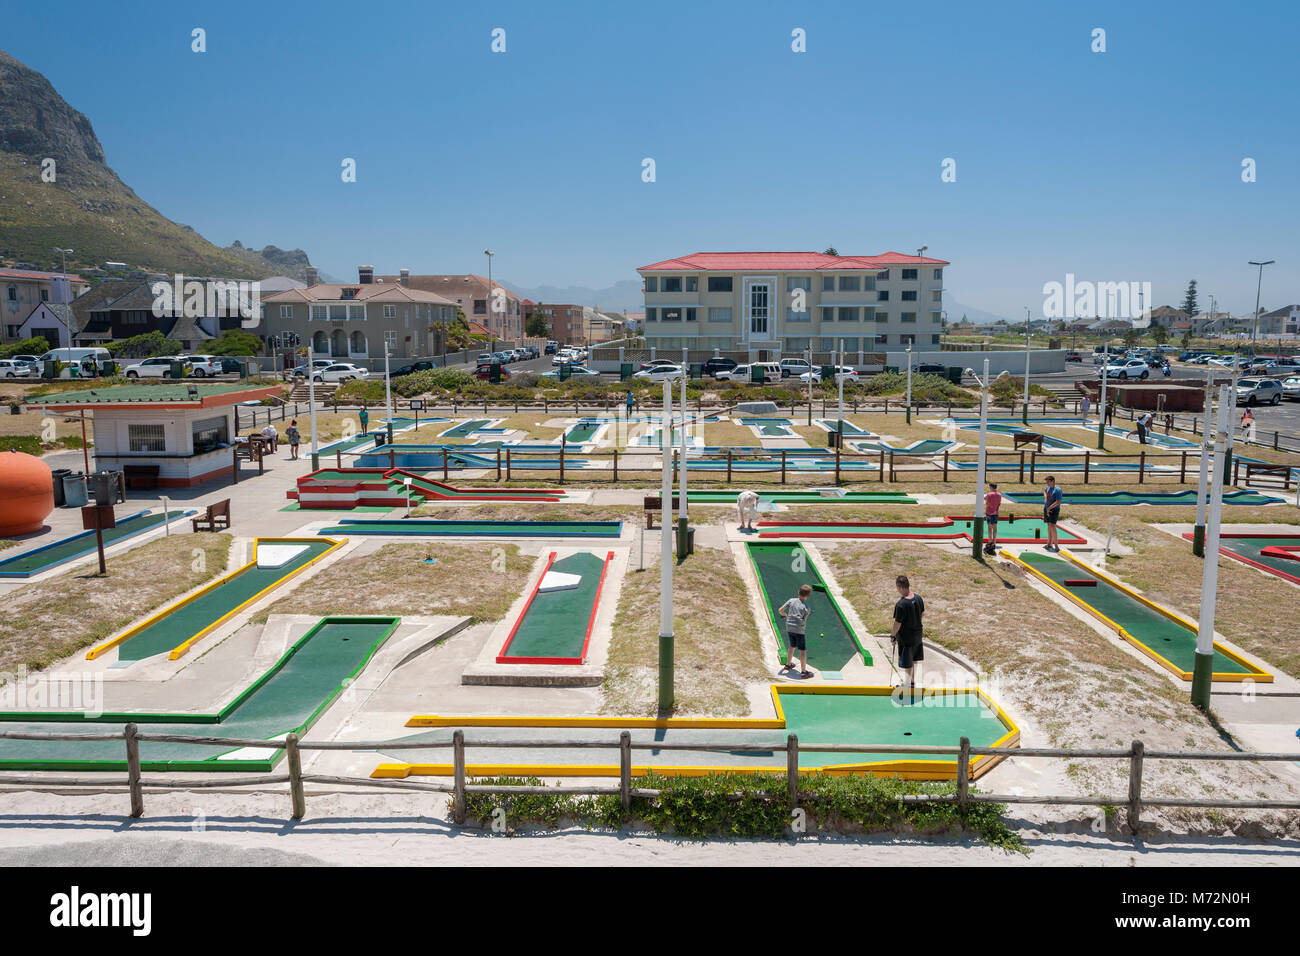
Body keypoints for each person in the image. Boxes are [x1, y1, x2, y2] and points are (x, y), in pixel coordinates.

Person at [891, 575, 925, 691]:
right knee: (914, 659)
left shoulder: (901, 604)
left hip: (906, 638)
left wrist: (893, 636)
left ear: (899, 587)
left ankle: (906, 684)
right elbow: (922, 614)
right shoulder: (919, 598)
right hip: (918, 635)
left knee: (907, 662)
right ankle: (912, 682)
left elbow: (897, 623)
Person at [778, 584, 813, 678]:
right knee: (802, 651)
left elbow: (780, 610)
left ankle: (788, 664)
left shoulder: (791, 601)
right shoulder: (806, 608)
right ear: (808, 596)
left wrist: (785, 615)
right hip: (799, 630)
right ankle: (803, 671)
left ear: (798, 592)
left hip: (789, 627)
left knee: (792, 645)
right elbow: (804, 621)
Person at [1043, 475, 1062, 551]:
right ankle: (1049, 543)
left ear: (1052, 481)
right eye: (1046, 482)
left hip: (1054, 510)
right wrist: (1046, 497)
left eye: (1048, 482)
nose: (1047, 483)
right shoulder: (1047, 488)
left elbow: (1058, 502)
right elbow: (1044, 490)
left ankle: (1056, 546)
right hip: (1046, 508)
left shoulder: (1057, 490)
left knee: (1053, 526)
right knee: (1049, 526)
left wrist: (1049, 508)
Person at [983, 481, 1002, 554]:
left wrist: (988, 506)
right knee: (995, 526)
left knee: (989, 526)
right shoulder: (999, 495)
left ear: (991, 487)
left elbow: (987, 503)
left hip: (989, 512)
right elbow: (999, 503)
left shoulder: (989, 494)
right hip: (996, 512)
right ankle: (994, 541)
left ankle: (989, 540)